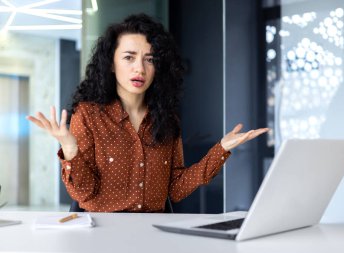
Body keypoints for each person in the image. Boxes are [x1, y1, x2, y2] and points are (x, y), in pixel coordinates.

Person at [26, 14, 269, 212]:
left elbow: (175, 189)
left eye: (149, 59)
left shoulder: (167, 119)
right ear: (111, 63)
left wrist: (221, 150)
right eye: (129, 57)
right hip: (101, 234)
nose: (139, 68)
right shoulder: (88, 116)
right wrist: (70, 149)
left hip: (153, 232)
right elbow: (83, 193)